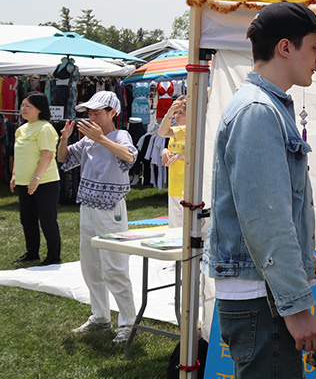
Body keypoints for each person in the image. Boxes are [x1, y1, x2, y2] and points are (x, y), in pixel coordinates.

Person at [203, 1, 316, 379]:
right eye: (315, 48)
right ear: (285, 47)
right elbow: (267, 223)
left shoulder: (262, 107)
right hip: (263, 300)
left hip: (259, 297)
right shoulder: (259, 112)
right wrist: (296, 308)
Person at [57, 90, 138, 343]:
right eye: (89, 113)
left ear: (113, 112)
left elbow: (130, 156)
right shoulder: (88, 140)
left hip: (110, 209)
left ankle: (128, 322)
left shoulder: (119, 135)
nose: (91, 116)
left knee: (114, 266)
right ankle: (101, 316)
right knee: (91, 266)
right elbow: (63, 159)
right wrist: (64, 139)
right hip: (88, 207)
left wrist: (100, 138)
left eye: (97, 112)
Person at [10, 92, 62, 266]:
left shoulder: (45, 128)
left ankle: (53, 256)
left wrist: (36, 178)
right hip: (24, 182)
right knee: (27, 219)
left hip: (45, 182)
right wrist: (14, 175)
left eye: (28, 106)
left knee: (47, 220)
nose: (23, 109)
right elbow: (19, 154)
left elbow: (47, 155)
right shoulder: (21, 129)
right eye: (23, 105)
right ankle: (32, 253)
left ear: (39, 109)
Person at [157, 95, 187, 228]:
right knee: (175, 229)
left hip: (187, 188)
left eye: (181, 113)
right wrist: (165, 151)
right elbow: (163, 133)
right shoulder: (177, 132)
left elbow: (201, 152)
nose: (177, 116)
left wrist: (183, 155)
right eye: (176, 113)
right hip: (174, 187)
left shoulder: (190, 131)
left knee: (187, 229)